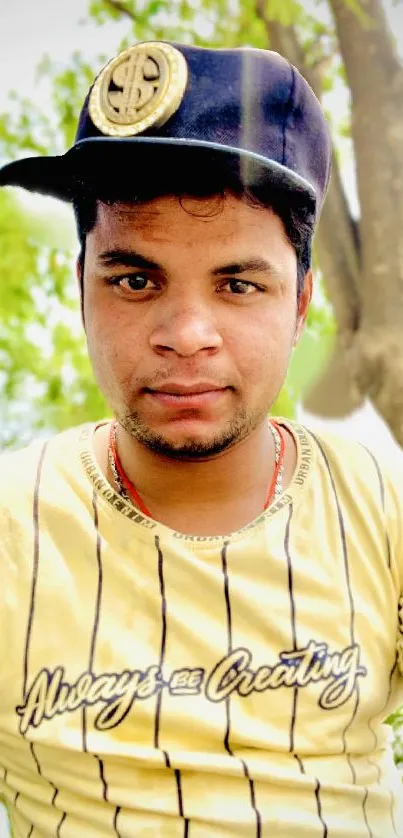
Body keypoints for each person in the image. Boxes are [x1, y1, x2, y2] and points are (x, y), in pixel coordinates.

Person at [0, 39, 402, 838]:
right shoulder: (10, 528)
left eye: (238, 284)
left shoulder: (381, 512)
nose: (186, 335)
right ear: (82, 288)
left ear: (298, 305)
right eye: (136, 279)